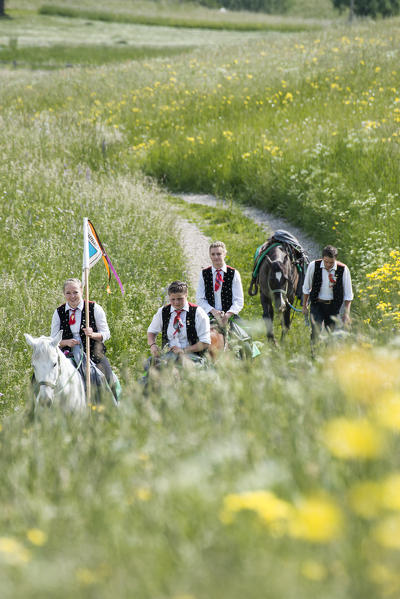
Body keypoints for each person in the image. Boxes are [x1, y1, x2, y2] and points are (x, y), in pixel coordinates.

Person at [50, 278, 115, 394]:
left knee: (110, 380)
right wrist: (66, 342)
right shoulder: (58, 312)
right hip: (67, 354)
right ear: (64, 294)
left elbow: (106, 333)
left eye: (75, 292)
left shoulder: (94, 308)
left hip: (93, 352)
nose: (72, 296)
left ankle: (113, 407)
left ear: (82, 290)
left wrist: (92, 334)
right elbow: (53, 339)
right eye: (68, 293)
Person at [147, 280, 211, 362]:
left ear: (186, 295)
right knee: (148, 364)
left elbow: (205, 342)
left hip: (193, 356)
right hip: (168, 355)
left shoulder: (198, 313)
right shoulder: (163, 311)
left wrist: (183, 350)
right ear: (169, 297)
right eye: (172, 299)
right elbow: (151, 331)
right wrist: (153, 345)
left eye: (180, 299)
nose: (176, 303)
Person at [302, 245, 353, 343]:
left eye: (331, 262)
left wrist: (346, 313)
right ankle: (314, 355)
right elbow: (306, 287)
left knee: (330, 334)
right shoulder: (313, 266)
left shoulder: (343, 269)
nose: (328, 264)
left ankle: (327, 355)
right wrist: (304, 305)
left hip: (333, 306)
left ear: (335, 259)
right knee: (315, 331)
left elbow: (348, 294)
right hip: (317, 304)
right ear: (322, 258)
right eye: (326, 261)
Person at [196, 241, 244, 327]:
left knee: (246, 336)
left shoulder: (233, 273)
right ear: (209, 255)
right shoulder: (204, 273)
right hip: (209, 314)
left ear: (224, 254)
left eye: (218, 254)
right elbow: (200, 299)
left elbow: (239, 300)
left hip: (229, 315)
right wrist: (213, 312)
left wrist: (228, 314)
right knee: (196, 335)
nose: (216, 257)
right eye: (213, 254)